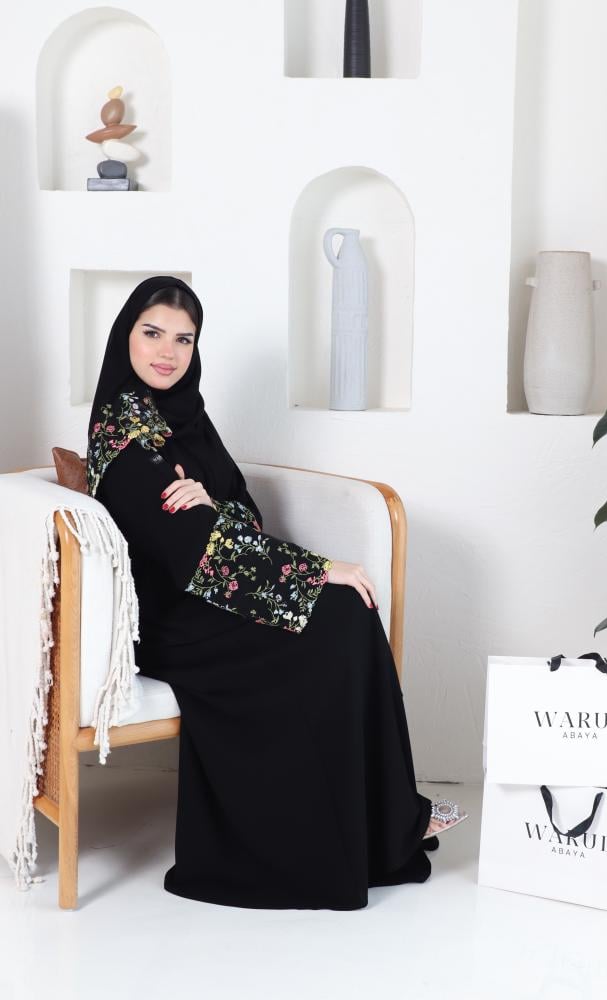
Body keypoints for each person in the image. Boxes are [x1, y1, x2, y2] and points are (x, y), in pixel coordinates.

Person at [86, 274, 468, 910]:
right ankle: (354, 832)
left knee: (350, 611)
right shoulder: (124, 434)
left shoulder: (186, 417)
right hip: (176, 619)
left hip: (213, 592)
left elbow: (242, 513)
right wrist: (316, 570)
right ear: (126, 335)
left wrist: (212, 503)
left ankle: (382, 820)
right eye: (152, 333)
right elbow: (193, 553)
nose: (167, 352)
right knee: (337, 612)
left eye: (184, 339)